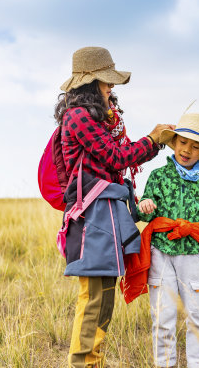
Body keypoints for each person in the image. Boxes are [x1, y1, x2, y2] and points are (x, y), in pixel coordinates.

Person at [54, 46, 174, 368]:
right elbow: (116, 158)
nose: (112, 88)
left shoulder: (97, 118)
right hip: (92, 218)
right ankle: (83, 364)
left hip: (103, 216)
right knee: (94, 299)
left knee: (104, 296)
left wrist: (154, 141)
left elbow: (115, 159)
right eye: (107, 82)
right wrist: (153, 139)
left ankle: (93, 362)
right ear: (92, 83)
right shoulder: (78, 117)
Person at [138, 112, 199, 368]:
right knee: (163, 317)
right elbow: (143, 208)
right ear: (174, 142)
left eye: (195, 146)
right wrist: (145, 205)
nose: (187, 150)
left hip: (193, 256)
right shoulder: (158, 176)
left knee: (197, 317)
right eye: (183, 142)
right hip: (161, 254)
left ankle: (197, 365)